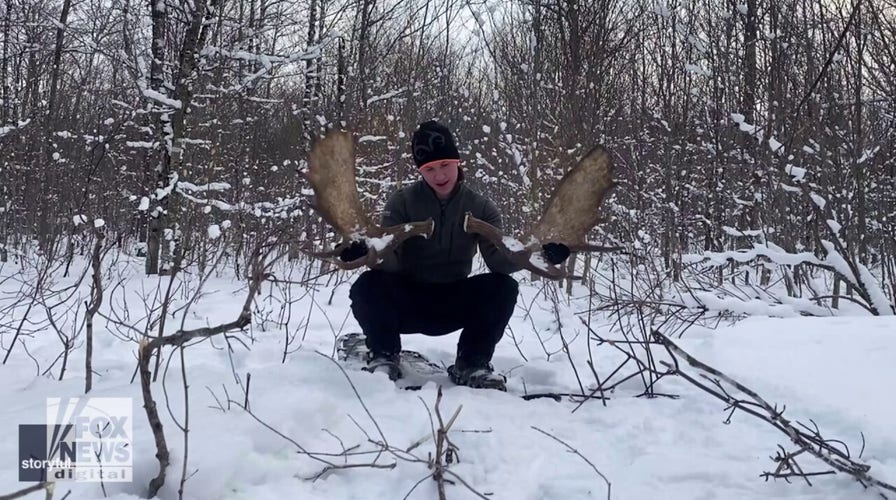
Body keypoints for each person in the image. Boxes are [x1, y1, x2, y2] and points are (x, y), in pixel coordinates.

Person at [342, 120, 570, 390]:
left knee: (503, 287)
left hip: (453, 300)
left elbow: (498, 261)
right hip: (407, 300)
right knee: (369, 285)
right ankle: (383, 356)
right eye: (429, 169)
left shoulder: (481, 207)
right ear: (420, 171)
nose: (439, 175)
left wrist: (541, 256)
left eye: (444, 165)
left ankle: (472, 363)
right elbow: (390, 260)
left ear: (457, 161)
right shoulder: (402, 202)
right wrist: (367, 254)